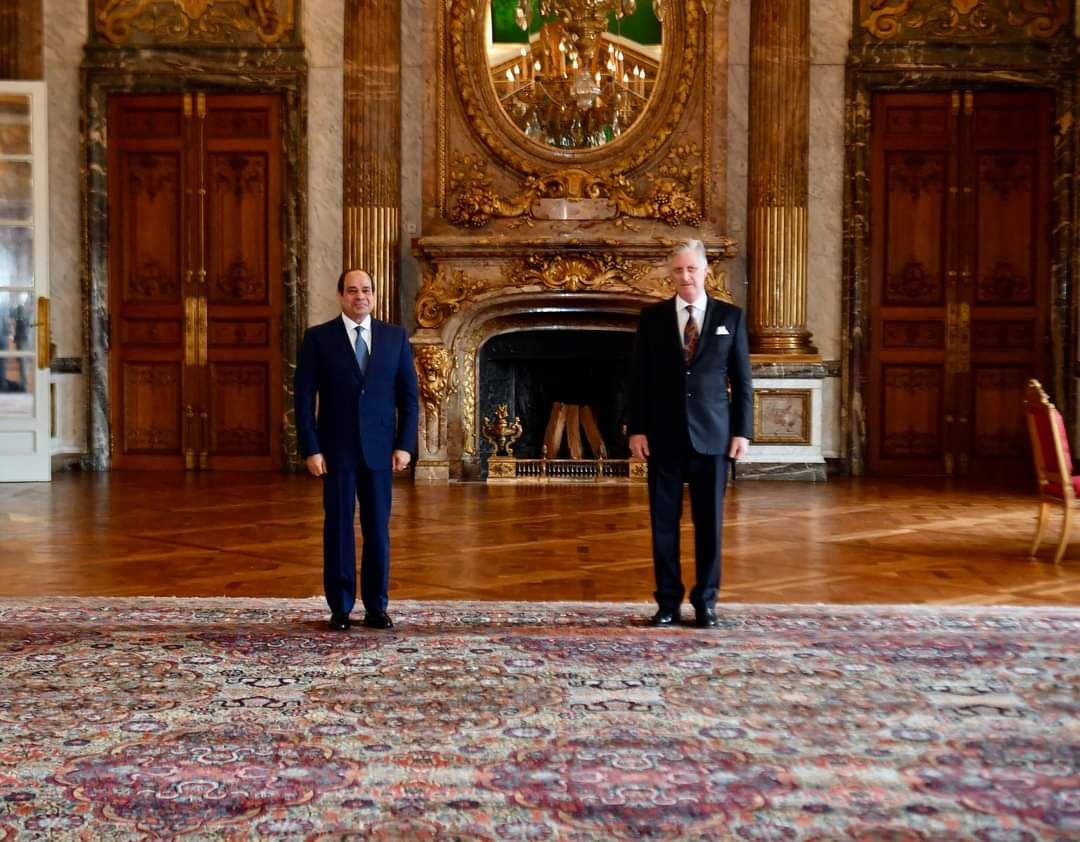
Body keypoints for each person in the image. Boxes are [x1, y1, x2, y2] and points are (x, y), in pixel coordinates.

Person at [626, 239, 753, 628]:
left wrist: (742, 432)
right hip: (662, 436)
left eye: (691, 269)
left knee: (709, 524)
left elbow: (742, 381)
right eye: (678, 270)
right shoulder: (652, 318)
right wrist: (637, 429)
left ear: (705, 271)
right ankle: (667, 604)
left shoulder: (730, 317)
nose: (685, 276)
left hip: (713, 437)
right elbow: (638, 379)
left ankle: (706, 603)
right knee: (664, 524)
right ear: (671, 274)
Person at [294, 269, 419, 631]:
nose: (359, 296)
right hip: (335, 451)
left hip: (381, 451)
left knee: (377, 528)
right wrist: (311, 448)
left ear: (374, 296)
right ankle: (341, 607)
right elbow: (303, 399)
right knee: (338, 528)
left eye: (366, 290)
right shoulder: (318, 339)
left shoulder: (395, 337)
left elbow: (409, 398)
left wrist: (405, 445)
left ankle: (377, 607)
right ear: (340, 296)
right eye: (352, 290)